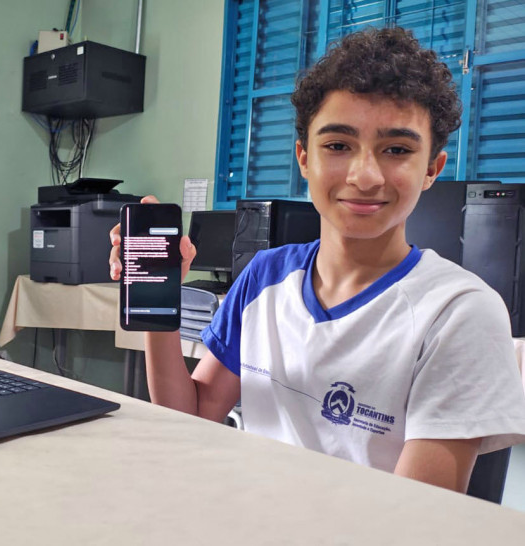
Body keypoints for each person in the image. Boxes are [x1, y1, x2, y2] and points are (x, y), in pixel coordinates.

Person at [108, 26, 525, 492]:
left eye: (396, 150)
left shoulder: (459, 313)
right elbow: (192, 415)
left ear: (431, 169)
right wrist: (157, 299)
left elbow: (416, 515)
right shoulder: (265, 276)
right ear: (304, 158)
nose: (364, 176)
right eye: (338, 145)